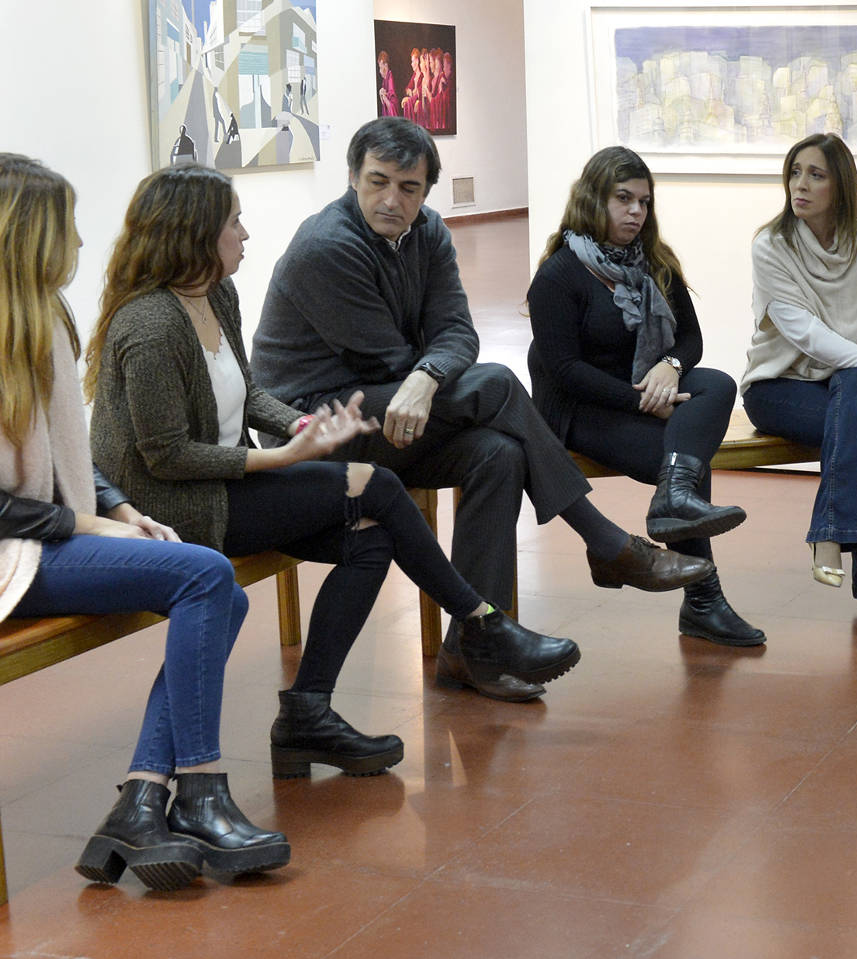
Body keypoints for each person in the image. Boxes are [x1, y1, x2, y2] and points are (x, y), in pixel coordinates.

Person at [89, 166, 581, 778]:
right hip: (178, 509)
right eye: (233, 222)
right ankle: (483, 623)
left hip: (231, 484)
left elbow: (249, 393)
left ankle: (307, 713)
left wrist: (301, 427)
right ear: (194, 233)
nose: (246, 233)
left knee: (371, 537)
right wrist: (282, 457)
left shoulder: (217, 294)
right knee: (376, 485)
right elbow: (167, 457)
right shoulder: (150, 326)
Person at [251, 117, 707, 700]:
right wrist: (426, 368)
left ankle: (472, 649)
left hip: (398, 412)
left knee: (496, 453)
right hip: (319, 428)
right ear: (351, 177)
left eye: (409, 188)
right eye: (377, 181)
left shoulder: (431, 234)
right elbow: (389, 359)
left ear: (426, 191)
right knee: (494, 383)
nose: (392, 200)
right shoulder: (327, 247)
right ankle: (605, 542)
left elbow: (458, 333)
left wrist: (426, 372)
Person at [0, 153, 286, 888]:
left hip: (48, 534)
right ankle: (197, 790)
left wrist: (120, 505)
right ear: (25, 237)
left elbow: (71, 449)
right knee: (207, 575)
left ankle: (139, 802)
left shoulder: (46, 317)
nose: (79, 244)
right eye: (63, 227)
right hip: (18, 553)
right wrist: (88, 526)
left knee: (222, 589)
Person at [528, 146, 762, 646]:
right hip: (579, 407)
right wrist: (642, 399)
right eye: (623, 199)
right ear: (594, 199)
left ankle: (672, 501)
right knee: (679, 456)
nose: (636, 212)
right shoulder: (558, 275)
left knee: (716, 385)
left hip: (644, 386)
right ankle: (705, 600)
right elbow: (565, 370)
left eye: (644, 202)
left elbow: (691, 341)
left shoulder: (655, 264)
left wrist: (668, 366)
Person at [743, 134, 857, 625]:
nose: (800, 184)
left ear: (840, 186)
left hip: (845, 383)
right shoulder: (771, 245)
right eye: (796, 171)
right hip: (779, 387)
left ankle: (830, 533)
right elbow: (806, 334)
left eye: (816, 175)